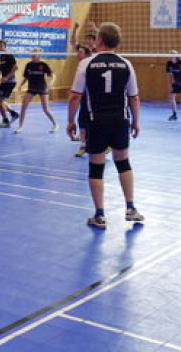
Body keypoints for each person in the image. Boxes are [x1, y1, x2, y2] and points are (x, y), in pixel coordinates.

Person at [67, 22, 143, 229]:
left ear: (99, 40)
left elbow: (75, 96)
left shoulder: (86, 64)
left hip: (96, 121)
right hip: (120, 120)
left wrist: (70, 121)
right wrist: (136, 121)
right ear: (117, 42)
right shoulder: (126, 64)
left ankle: (100, 215)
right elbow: (134, 97)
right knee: (123, 162)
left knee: (96, 167)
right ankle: (131, 208)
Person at [15, 49, 57, 134]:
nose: (33, 55)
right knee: (23, 107)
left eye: (35, 54)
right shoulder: (29, 65)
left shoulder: (43, 64)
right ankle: (20, 127)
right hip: (31, 88)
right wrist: (20, 85)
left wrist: (51, 83)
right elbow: (26, 77)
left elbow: (53, 75)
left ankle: (55, 124)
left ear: (39, 55)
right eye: (32, 54)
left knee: (45, 109)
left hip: (42, 88)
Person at [0, 40, 19, 128]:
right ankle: (13, 113)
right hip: (4, 82)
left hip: (10, 82)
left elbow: (15, 67)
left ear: (4, 46)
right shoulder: (1, 57)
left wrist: (6, 77)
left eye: (0, 45)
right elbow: (0, 70)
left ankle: (5, 121)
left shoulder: (8, 55)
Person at [72, 44, 93, 156]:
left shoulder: (91, 64)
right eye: (78, 52)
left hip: (93, 98)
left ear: (87, 54)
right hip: (83, 97)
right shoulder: (81, 64)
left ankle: (107, 144)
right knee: (81, 120)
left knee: (94, 122)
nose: (77, 54)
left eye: (80, 52)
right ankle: (83, 145)